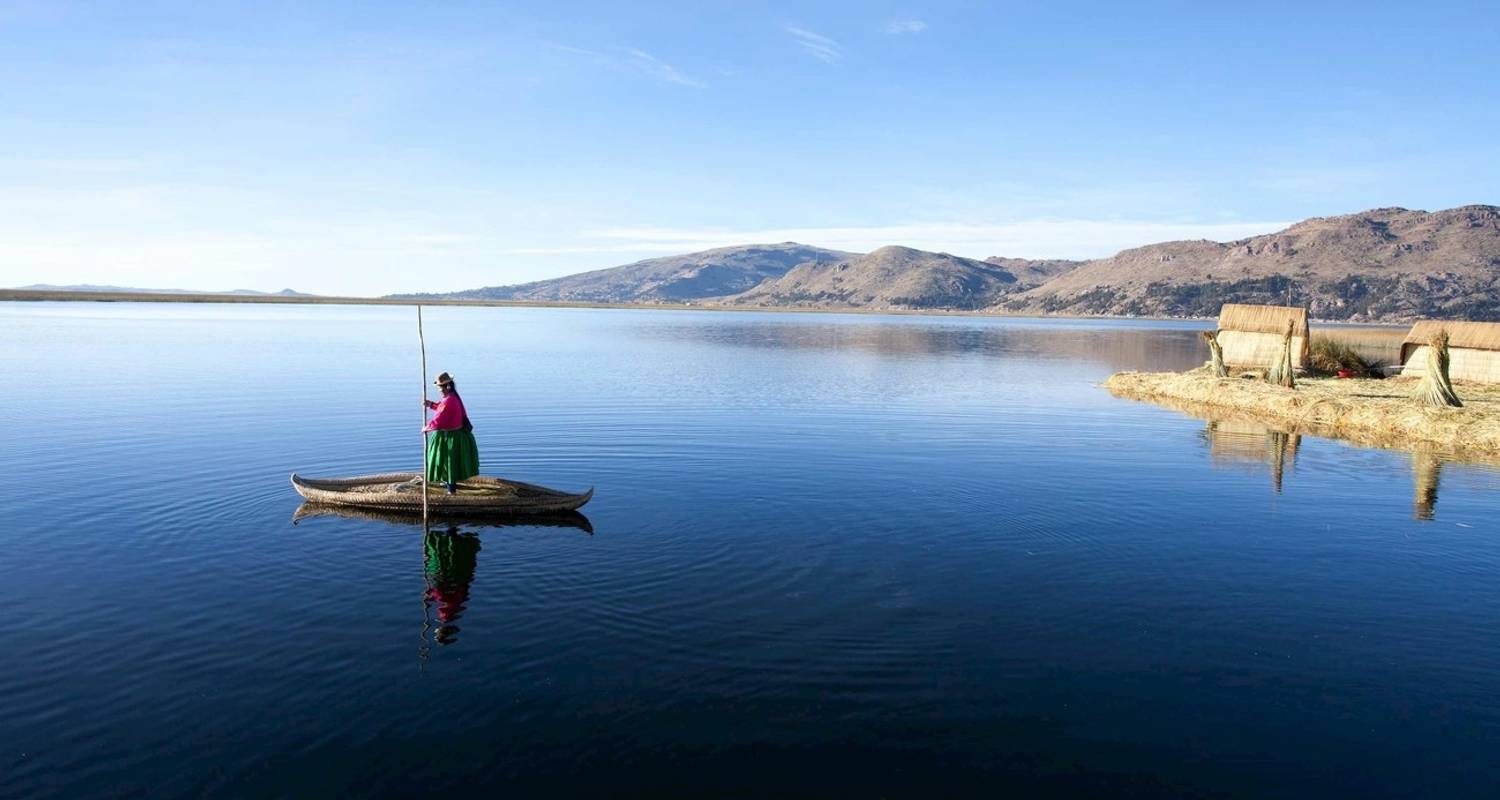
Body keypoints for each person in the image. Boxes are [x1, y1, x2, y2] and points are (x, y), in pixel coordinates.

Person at [423, 372, 480, 494]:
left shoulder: (450, 400)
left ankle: (451, 491)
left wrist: (426, 427)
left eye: (440, 387)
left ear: (447, 386)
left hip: (450, 438)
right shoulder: (452, 397)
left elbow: (440, 419)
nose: (439, 390)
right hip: (454, 436)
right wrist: (431, 404)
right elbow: (442, 408)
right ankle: (449, 486)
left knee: (449, 463)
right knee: (449, 463)